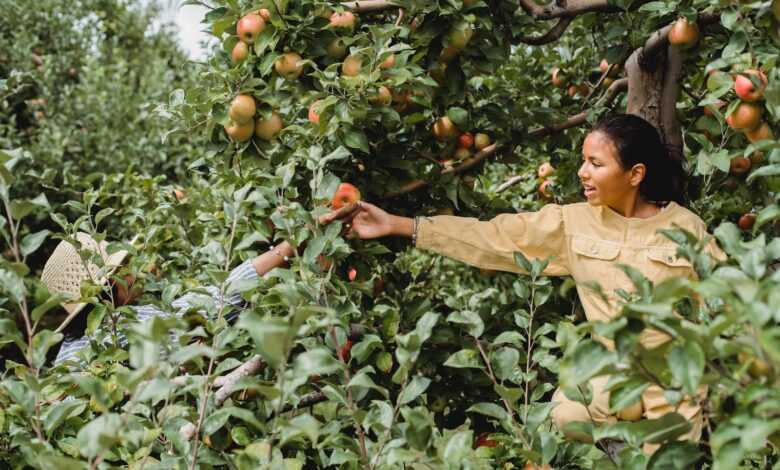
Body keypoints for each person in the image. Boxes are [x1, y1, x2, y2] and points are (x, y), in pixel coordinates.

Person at [337, 114, 726, 453]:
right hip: (610, 376)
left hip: (674, 384)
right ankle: (619, 447)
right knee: (560, 415)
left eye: (595, 163)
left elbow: (726, 300)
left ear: (635, 174)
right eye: (582, 161)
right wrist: (401, 225)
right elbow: (495, 237)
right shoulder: (573, 223)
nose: (582, 172)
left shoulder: (684, 228)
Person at [42, 207, 355, 367]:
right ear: (111, 285)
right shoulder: (128, 327)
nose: (134, 273)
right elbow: (217, 301)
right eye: (124, 269)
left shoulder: (64, 360)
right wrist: (290, 245)